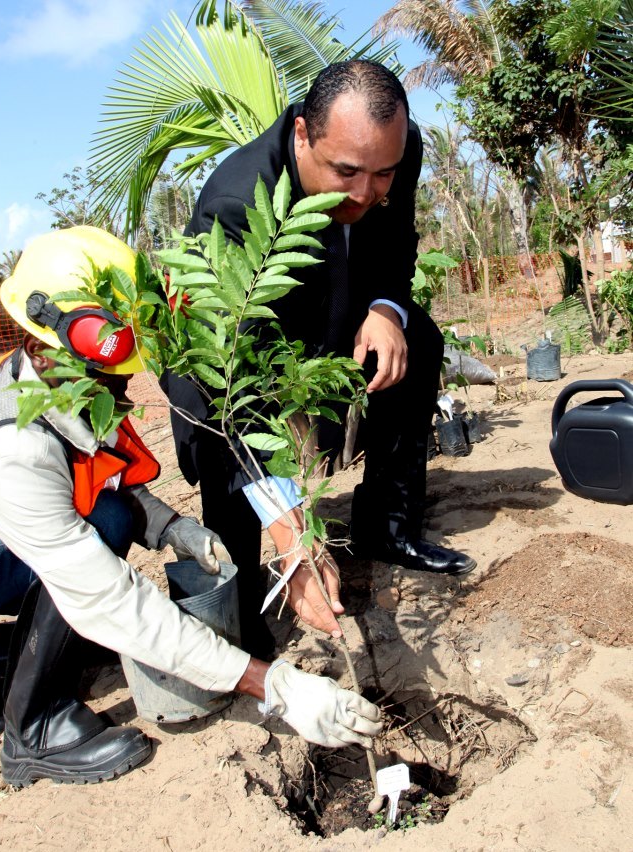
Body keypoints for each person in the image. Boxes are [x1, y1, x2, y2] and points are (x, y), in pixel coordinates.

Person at [0, 225, 382, 787]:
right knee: (94, 568)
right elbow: (105, 596)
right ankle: (29, 734)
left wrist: (173, 527)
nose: (116, 388)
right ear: (40, 343)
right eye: (104, 372)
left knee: (111, 517)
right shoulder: (11, 444)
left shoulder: (62, 383)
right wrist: (269, 682)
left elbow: (102, 477)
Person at [162, 60, 477, 661]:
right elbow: (235, 383)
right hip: (236, 355)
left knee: (421, 338)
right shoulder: (236, 202)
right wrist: (292, 533)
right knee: (222, 425)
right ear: (304, 134)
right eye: (346, 172)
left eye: (381, 173)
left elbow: (396, 236)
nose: (365, 193)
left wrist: (385, 308)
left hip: (338, 316)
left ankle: (386, 527)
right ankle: (242, 590)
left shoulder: (394, 150)